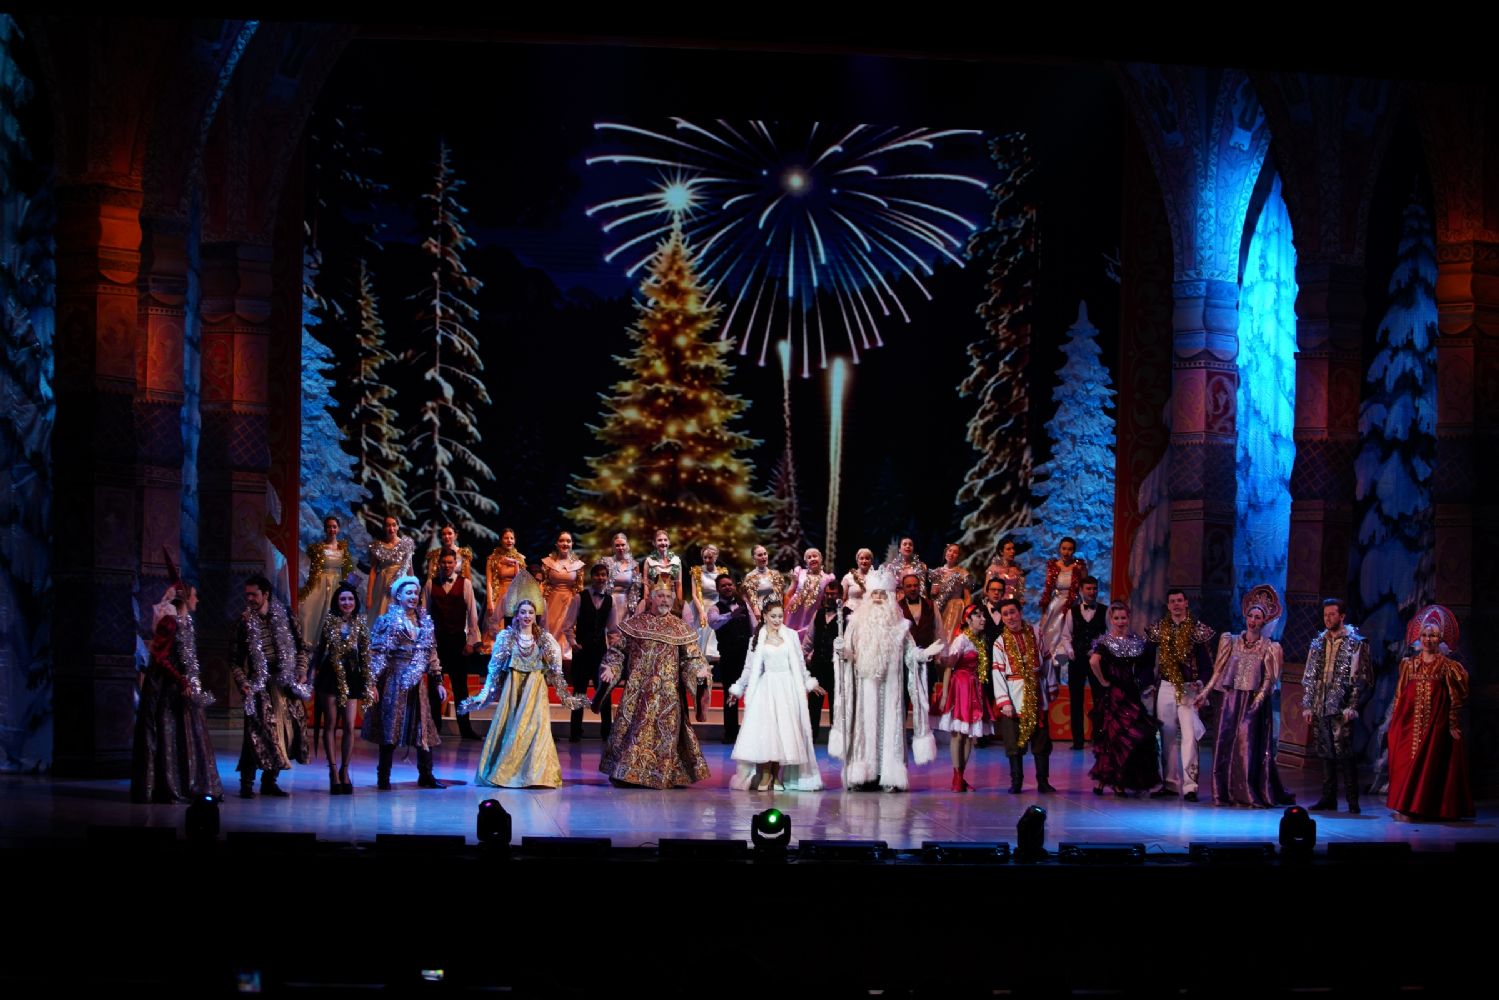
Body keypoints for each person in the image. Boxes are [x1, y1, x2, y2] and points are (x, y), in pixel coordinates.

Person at [829, 570, 940, 791]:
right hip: (865, 687)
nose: (878, 598)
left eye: (883, 594)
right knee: (864, 730)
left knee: (890, 731)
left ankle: (889, 776)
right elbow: (848, 655)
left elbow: (910, 654)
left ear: (890, 597)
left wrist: (923, 654)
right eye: (875, 594)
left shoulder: (901, 626)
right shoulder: (855, 624)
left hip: (891, 688)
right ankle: (862, 776)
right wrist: (841, 651)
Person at [598, 584, 713, 788]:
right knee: (633, 732)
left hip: (667, 695)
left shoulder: (680, 628)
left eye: (668, 596)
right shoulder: (635, 625)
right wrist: (611, 668)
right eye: (660, 596)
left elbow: (692, 658)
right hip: (637, 692)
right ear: (651, 599)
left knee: (665, 735)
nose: (665, 600)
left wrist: (699, 672)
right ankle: (627, 773)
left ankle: (662, 774)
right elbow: (618, 652)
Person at [461, 600, 584, 788]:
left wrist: (566, 696)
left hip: (535, 690)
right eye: (523, 612)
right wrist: (484, 695)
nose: (527, 616)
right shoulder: (506, 638)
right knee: (513, 728)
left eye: (530, 612)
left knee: (536, 729)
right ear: (517, 615)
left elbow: (556, 670)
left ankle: (536, 776)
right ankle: (507, 772)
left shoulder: (544, 639)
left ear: (535, 616)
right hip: (514, 690)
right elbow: (494, 669)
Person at [1194, 584, 1293, 807]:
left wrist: (1257, 703)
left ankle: (1247, 792)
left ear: (1264, 621)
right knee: (1225, 743)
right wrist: (1205, 692)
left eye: (1258, 617)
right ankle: (1224, 792)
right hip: (1229, 700)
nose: (1253, 620)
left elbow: (1269, 679)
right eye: (1250, 616)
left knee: (1246, 745)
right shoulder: (1230, 640)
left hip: (1252, 700)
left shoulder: (1270, 647)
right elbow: (1218, 670)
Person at [131, 581, 223, 803]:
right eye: (194, 596)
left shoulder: (186, 622)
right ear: (185, 598)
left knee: (187, 732)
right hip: (166, 686)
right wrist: (181, 680)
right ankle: (168, 785)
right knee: (167, 730)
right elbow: (160, 658)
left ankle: (188, 782)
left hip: (180, 685)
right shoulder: (170, 622)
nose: (197, 600)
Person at [1385, 604, 1473, 820]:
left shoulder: (1448, 667)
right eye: (1424, 635)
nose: (1427, 639)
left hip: (1435, 725)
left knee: (1430, 766)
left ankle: (1424, 809)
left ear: (1440, 639)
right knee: (1405, 761)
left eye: (1432, 636)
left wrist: (1452, 724)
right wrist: (1395, 721)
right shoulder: (1409, 664)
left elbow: (1455, 697)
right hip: (1409, 724)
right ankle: (1405, 807)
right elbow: (1400, 694)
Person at [727, 602, 826, 791]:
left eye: (780, 616)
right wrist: (738, 688)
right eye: (773, 616)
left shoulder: (791, 636)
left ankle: (776, 776)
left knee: (783, 732)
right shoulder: (757, 638)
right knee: (768, 731)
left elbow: (799, 664)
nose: (777, 620)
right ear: (765, 616)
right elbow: (749, 668)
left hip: (787, 689)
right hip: (767, 688)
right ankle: (765, 774)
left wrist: (809, 682)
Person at [362, 575, 445, 790]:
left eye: (416, 593)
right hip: (394, 680)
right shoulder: (387, 621)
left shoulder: (424, 622)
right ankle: (383, 777)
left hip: (417, 682)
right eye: (409, 593)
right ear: (398, 596)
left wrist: (438, 680)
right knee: (390, 726)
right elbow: (377, 653)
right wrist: (372, 682)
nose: (413, 597)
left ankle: (426, 774)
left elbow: (431, 653)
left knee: (422, 726)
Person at [232, 574, 310, 799]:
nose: (250, 599)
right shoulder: (243, 622)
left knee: (285, 733)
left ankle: (270, 781)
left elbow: (302, 647)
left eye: (254, 594)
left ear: (265, 594)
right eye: (247, 595)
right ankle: (246, 783)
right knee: (255, 734)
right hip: (259, 685)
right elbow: (234, 660)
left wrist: (301, 670)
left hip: (284, 683)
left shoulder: (285, 615)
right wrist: (244, 684)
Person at [1145, 589, 1215, 802]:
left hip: (1188, 688)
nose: (1176, 604)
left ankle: (1190, 786)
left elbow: (1207, 664)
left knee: (1189, 736)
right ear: (1168, 605)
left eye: (1179, 601)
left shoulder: (1197, 630)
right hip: (1166, 686)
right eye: (1172, 601)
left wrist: (1200, 683)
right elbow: (1147, 660)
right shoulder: (1158, 629)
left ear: (1186, 603)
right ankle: (1170, 783)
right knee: (1165, 735)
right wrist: (1148, 683)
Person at [1300, 598, 1369, 813]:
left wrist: (1352, 706)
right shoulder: (1318, 642)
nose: (1328, 618)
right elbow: (1310, 676)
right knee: (1325, 752)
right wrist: (1308, 705)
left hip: (1341, 705)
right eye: (1325, 615)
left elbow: (1360, 678)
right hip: (1320, 704)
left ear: (1342, 616)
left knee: (1344, 753)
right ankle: (1328, 798)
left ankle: (1352, 801)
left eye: (1332, 614)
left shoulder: (1356, 643)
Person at [1087, 602, 1160, 796]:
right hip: (1116, 695)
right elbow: (1093, 661)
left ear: (1129, 618)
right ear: (1111, 620)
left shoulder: (1136, 641)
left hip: (1132, 693)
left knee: (1131, 737)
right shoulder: (1105, 642)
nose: (1120, 621)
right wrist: (1103, 681)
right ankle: (1113, 781)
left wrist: (1145, 682)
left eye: (1123, 618)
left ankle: (1110, 781)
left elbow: (1146, 664)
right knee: (1115, 738)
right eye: (1116, 618)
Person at [309, 583, 375, 794]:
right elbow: (320, 650)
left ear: (356, 602)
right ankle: (333, 770)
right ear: (337, 602)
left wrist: (370, 683)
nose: (347, 603)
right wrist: (310, 674)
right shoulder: (329, 622)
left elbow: (365, 656)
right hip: (330, 674)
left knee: (349, 724)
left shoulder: (360, 624)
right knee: (330, 723)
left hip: (352, 675)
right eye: (343, 599)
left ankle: (345, 770)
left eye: (350, 599)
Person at [992, 598, 1058, 794]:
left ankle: (1043, 781)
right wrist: (1004, 701)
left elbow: (1047, 660)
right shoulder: (1000, 642)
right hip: (1014, 696)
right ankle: (1016, 781)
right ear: (1002, 618)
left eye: (1013, 612)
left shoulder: (1036, 633)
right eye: (1005, 614)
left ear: (1020, 612)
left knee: (1041, 741)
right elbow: (997, 673)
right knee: (1013, 742)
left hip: (1037, 692)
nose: (1010, 617)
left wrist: (1051, 686)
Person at [936, 604, 996, 792]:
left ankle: (961, 776)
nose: (982, 619)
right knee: (958, 734)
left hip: (974, 687)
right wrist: (945, 695)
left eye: (983, 615)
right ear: (968, 620)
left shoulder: (980, 641)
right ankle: (956, 776)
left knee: (969, 735)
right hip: (960, 687)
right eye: (977, 616)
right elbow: (949, 667)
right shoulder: (961, 640)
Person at [423, 549, 481, 739]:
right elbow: (424, 614)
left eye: (450, 562)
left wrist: (472, 641)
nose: (447, 566)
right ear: (438, 563)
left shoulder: (465, 584)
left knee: (460, 687)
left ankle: (465, 729)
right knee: (434, 686)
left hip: (457, 641)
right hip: (437, 642)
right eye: (444, 562)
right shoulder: (430, 584)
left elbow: (472, 614)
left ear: (455, 564)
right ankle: (434, 728)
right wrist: (425, 642)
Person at [569, 563, 618, 742]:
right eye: (597, 575)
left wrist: (613, 651)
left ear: (607, 577)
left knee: (604, 691)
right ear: (592, 577)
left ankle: (606, 732)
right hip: (582, 652)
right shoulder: (579, 597)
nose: (600, 578)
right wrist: (573, 643)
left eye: (603, 575)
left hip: (600, 653)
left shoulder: (610, 601)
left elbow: (613, 630)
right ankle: (575, 732)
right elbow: (568, 624)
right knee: (579, 692)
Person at [685, 544, 729, 722]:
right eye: (705, 557)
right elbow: (695, 594)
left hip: (716, 609)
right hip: (701, 609)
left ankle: (714, 677)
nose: (708, 560)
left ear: (716, 556)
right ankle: (700, 682)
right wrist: (702, 611)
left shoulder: (722, 572)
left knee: (715, 646)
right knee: (700, 646)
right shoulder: (697, 571)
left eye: (710, 557)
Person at [709, 574, 754, 744]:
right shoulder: (715, 608)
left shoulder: (744, 605)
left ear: (734, 586)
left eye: (730, 584)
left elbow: (753, 627)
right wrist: (730, 616)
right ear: (717, 589)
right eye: (723, 585)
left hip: (746, 656)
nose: (727, 587)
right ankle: (731, 733)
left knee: (752, 694)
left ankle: (752, 733)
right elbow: (713, 623)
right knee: (730, 694)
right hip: (728, 656)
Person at [1062, 576, 1106, 749]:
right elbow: (1066, 636)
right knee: (1076, 700)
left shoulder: (1105, 611)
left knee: (1100, 699)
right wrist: (1070, 651)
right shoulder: (1072, 612)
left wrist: (1098, 651)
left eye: (1094, 588)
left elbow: (1108, 636)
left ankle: (1099, 739)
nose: (1092, 592)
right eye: (1089, 588)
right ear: (1081, 591)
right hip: (1077, 660)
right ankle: (1078, 741)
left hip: (1098, 662)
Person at [1038, 537, 1088, 688]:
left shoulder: (1079, 567)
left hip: (1073, 606)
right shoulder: (1053, 566)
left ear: (1074, 551)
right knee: (1053, 641)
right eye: (1064, 548)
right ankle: (1054, 678)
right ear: (1059, 549)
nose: (1066, 552)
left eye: (1070, 549)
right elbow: (1048, 589)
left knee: (1069, 641)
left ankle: (1069, 677)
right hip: (1056, 607)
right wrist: (1045, 611)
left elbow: (1085, 588)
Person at [297, 515, 354, 643]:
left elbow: (348, 569)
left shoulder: (343, 549)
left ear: (338, 529)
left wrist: (350, 588)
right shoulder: (318, 548)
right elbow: (310, 568)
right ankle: (311, 642)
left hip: (337, 584)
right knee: (309, 611)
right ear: (325, 529)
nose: (332, 530)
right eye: (329, 527)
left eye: (334, 527)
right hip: (321, 583)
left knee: (334, 612)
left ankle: (334, 642)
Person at [805, 580, 846, 744]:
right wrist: (801, 658)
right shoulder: (819, 613)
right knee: (814, 705)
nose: (829, 596)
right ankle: (811, 737)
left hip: (837, 668)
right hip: (818, 666)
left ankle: (837, 740)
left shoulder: (848, 615)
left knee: (837, 704)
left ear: (841, 595)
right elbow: (809, 639)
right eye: (827, 593)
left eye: (833, 594)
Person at [541, 531, 585, 661]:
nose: (565, 544)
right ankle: (550, 660)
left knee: (567, 631)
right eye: (561, 541)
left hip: (570, 603)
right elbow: (543, 584)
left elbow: (580, 587)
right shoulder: (548, 562)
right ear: (556, 543)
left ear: (572, 544)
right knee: (551, 630)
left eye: (568, 541)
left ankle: (566, 662)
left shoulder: (578, 565)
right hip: (552, 602)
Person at [783, 547, 836, 647]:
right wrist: (783, 607)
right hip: (794, 614)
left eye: (815, 556)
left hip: (812, 614)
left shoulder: (828, 578)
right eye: (809, 557)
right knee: (790, 642)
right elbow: (790, 590)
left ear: (821, 559)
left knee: (807, 642)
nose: (812, 559)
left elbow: (828, 598)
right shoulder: (799, 572)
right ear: (806, 561)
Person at [366, 515, 416, 620]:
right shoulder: (378, 546)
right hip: (382, 585)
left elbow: (410, 571)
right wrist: (369, 596)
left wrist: (413, 592)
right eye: (388, 525)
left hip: (400, 584)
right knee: (382, 614)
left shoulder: (406, 545)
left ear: (398, 526)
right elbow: (373, 572)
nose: (391, 528)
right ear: (384, 527)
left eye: (394, 525)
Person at [483, 527, 526, 648]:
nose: (509, 540)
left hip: (514, 598)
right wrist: (490, 602)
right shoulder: (492, 559)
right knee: (497, 631)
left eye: (511, 538)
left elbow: (521, 581)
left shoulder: (520, 559)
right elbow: (489, 581)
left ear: (515, 540)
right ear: (501, 540)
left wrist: (516, 564)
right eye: (506, 538)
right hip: (499, 596)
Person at [929, 543, 973, 642]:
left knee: (950, 637)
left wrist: (966, 614)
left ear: (958, 556)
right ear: (945, 552)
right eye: (950, 550)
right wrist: (933, 593)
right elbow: (933, 595)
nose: (951, 554)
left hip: (955, 609)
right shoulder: (937, 572)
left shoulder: (963, 573)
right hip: (940, 608)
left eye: (955, 552)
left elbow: (967, 597)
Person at [604, 532, 642, 621]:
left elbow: (636, 589)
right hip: (609, 602)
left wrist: (633, 606)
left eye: (623, 545)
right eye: (617, 545)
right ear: (613, 547)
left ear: (627, 545)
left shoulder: (634, 565)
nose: (620, 548)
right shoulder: (606, 562)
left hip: (626, 604)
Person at [742, 544, 785, 621]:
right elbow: (750, 597)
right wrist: (755, 609)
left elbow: (781, 595)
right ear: (753, 558)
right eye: (760, 555)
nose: (764, 557)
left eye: (765, 554)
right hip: (761, 614)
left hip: (776, 612)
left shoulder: (775, 574)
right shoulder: (750, 577)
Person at [641, 528, 683, 605]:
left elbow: (679, 584)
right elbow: (646, 585)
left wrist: (680, 603)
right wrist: (646, 603)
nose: (663, 543)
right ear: (654, 543)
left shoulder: (676, 560)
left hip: (671, 600)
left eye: (665, 540)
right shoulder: (649, 561)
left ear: (669, 542)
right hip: (654, 601)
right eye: (659, 540)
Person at [985, 536, 1025, 603]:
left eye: (1013, 548)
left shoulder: (1018, 570)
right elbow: (986, 590)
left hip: (1014, 605)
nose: (1012, 551)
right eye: (1008, 549)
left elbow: (1021, 591)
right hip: (998, 604)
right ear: (1001, 552)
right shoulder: (993, 569)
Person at [841, 548, 875, 612]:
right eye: (861, 558)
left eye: (867, 558)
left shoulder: (876, 577)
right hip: (851, 611)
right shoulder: (848, 577)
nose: (864, 561)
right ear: (857, 561)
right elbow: (843, 598)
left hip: (869, 612)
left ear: (871, 561)